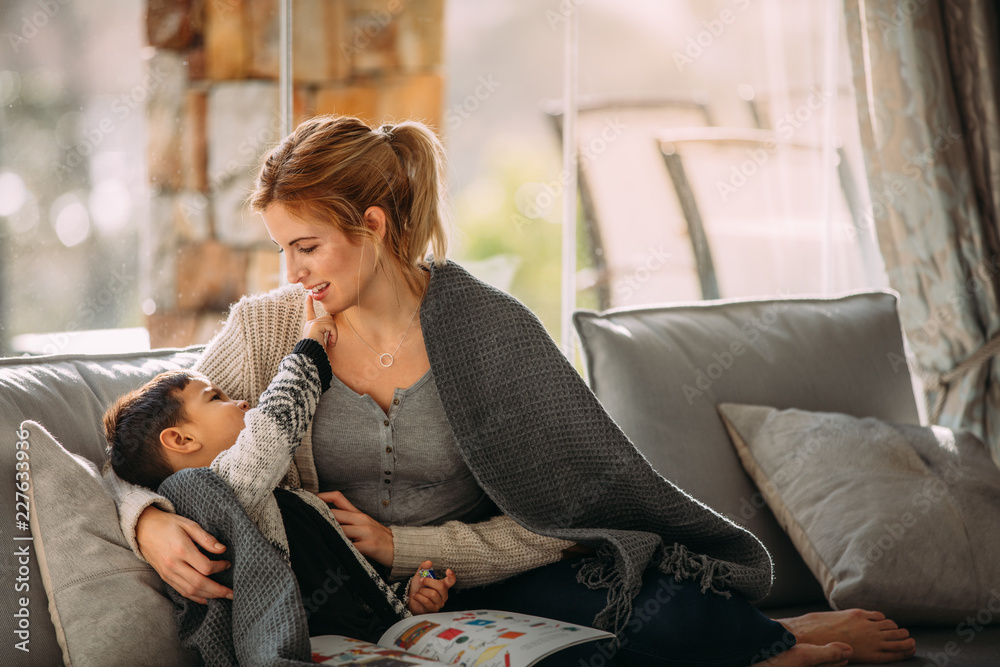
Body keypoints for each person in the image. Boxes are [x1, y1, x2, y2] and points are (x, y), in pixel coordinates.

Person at [105, 115, 916, 667]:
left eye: (308, 245)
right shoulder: (267, 331)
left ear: (374, 225)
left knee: (646, 604)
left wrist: (404, 545)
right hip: (360, 604)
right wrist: (147, 525)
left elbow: (565, 520)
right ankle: (769, 640)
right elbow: (131, 442)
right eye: (284, 249)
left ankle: (767, 634)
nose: (295, 272)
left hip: (495, 571)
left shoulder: (488, 329)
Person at [103, 300, 455, 641]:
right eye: (216, 398)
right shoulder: (211, 495)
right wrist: (310, 352)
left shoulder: (285, 500)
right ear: (181, 439)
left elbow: (350, 582)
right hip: (307, 648)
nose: (241, 401)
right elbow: (272, 429)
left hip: (370, 637)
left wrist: (405, 599)